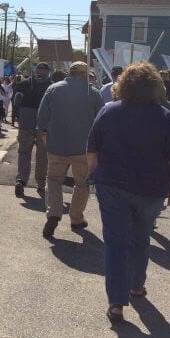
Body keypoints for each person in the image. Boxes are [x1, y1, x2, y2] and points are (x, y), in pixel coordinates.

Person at [86, 62, 170, 322]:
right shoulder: (164, 116)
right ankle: (136, 285)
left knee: (115, 243)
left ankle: (116, 302)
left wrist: (93, 176)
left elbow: (92, 149)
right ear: (154, 87)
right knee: (141, 238)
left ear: (123, 85)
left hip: (113, 186)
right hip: (151, 189)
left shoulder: (109, 111)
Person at [38, 61, 104, 238]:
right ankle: (76, 218)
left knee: (53, 180)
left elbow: (42, 115)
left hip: (57, 144)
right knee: (82, 184)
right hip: (84, 148)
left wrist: (44, 134)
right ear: (85, 75)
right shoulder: (94, 94)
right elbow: (101, 122)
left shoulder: (53, 89)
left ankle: (53, 213)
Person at [12, 62, 51, 197]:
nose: (41, 72)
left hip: (28, 123)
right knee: (42, 156)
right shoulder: (52, 87)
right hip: (43, 126)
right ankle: (40, 184)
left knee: (25, 153)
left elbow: (15, 102)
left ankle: (22, 180)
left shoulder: (23, 84)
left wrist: (17, 117)